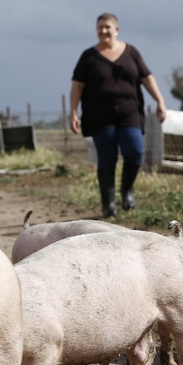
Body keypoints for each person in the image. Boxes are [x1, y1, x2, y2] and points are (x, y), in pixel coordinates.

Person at [69, 12, 167, 218]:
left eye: (107, 27)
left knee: (135, 152)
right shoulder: (89, 57)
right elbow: (77, 86)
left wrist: (160, 101)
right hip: (99, 116)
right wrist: (73, 112)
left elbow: (147, 78)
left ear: (116, 29)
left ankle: (127, 192)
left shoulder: (131, 52)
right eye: (100, 27)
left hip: (129, 112)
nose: (103, 31)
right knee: (107, 159)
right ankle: (109, 205)